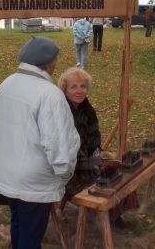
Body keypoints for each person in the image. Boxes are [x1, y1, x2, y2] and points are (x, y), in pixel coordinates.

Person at [0, 36, 81, 249]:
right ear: (49, 63)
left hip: (6, 172)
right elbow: (59, 144)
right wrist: (65, 174)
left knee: (19, 224)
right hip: (33, 181)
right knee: (30, 235)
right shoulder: (49, 94)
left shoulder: (6, 83)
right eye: (55, 60)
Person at [57, 67, 139, 228]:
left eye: (83, 86)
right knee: (105, 182)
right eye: (73, 87)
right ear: (65, 89)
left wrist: (97, 161)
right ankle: (109, 217)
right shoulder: (62, 111)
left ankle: (115, 215)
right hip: (69, 169)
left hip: (87, 161)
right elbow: (70, 151)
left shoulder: (87, 109)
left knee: (119, 173)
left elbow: (94, 141)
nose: (79, 91)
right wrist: (94, 171)